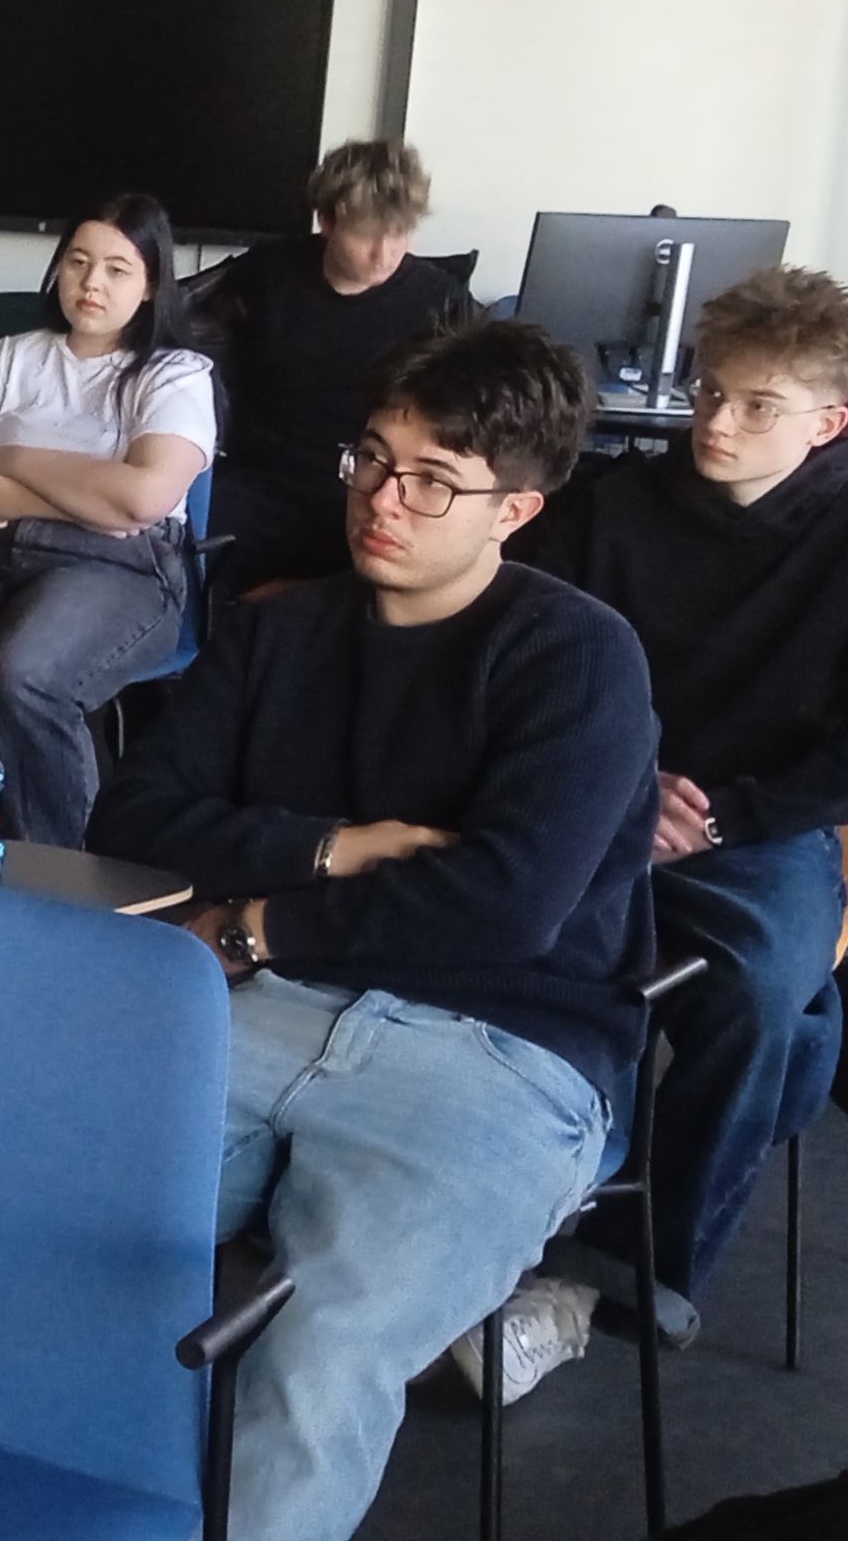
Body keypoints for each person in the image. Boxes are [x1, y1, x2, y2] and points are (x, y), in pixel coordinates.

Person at [88, 320, 657, 1541]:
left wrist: (255, 922)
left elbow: (505, 906)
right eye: (370, 461)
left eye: (431, 481)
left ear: (515, 511)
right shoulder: (274, 629)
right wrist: (333, 846)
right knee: (31, 1229)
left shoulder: (576, 657)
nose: (380, 500)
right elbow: (130, 814)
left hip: (499, 1054)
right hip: (257, 1014)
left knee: (323, 1348)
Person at [494, 267, 848, 1398]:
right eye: (709, 392)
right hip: (602, 801)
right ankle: (484, 1199)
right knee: (487, 934)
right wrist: (621, 786)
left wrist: (732, 815)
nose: (717, 422)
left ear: (825, 424)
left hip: (757, 827)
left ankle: (625, 1275)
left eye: (756, 406)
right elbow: (520, 653)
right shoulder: (615, 504)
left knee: (750, 994)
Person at [0, 194, 216, 849]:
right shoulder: (12, 357)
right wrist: (87, 495)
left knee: (24, 675)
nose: (92, 283)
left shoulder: (175, 375)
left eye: (117, 270)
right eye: (78, 262)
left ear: (152, 284)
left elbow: (144, 500)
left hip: (123, 569)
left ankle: (61, 874)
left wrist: (14, 457)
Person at [191, 137, 480, 592]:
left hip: (370, 489)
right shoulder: (270, 271)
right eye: (365, 234)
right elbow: (183, 321)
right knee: (171, 545)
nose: (384, 254)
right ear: (327, 221)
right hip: (261, 483)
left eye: (399, 234)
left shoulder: (440, 300)